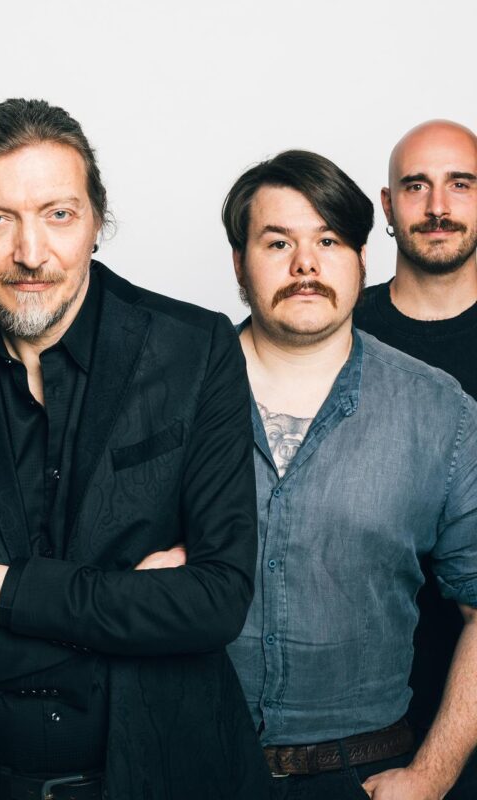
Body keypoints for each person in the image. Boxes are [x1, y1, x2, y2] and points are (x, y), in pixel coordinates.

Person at [0, 98, 270, 799]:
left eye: (58, 214)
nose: (30, 253)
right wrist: (121, 617)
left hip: (166, 776)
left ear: (97, 221)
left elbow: (216, 601)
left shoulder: (195, 351)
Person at [223, 149, 477, 800]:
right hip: (187, 763)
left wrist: (431, 776)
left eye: (329, 241)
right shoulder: (171, 389)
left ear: (363, 258)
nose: (305, 265)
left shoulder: (439, 411)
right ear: (239, 263)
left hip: (361, 777)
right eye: (278, 242)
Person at [354, 121, 477, 796]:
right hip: (364, 715)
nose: (437, 206)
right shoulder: (337, 331)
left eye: (460, 184)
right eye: (416, 186)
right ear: (387, 204)